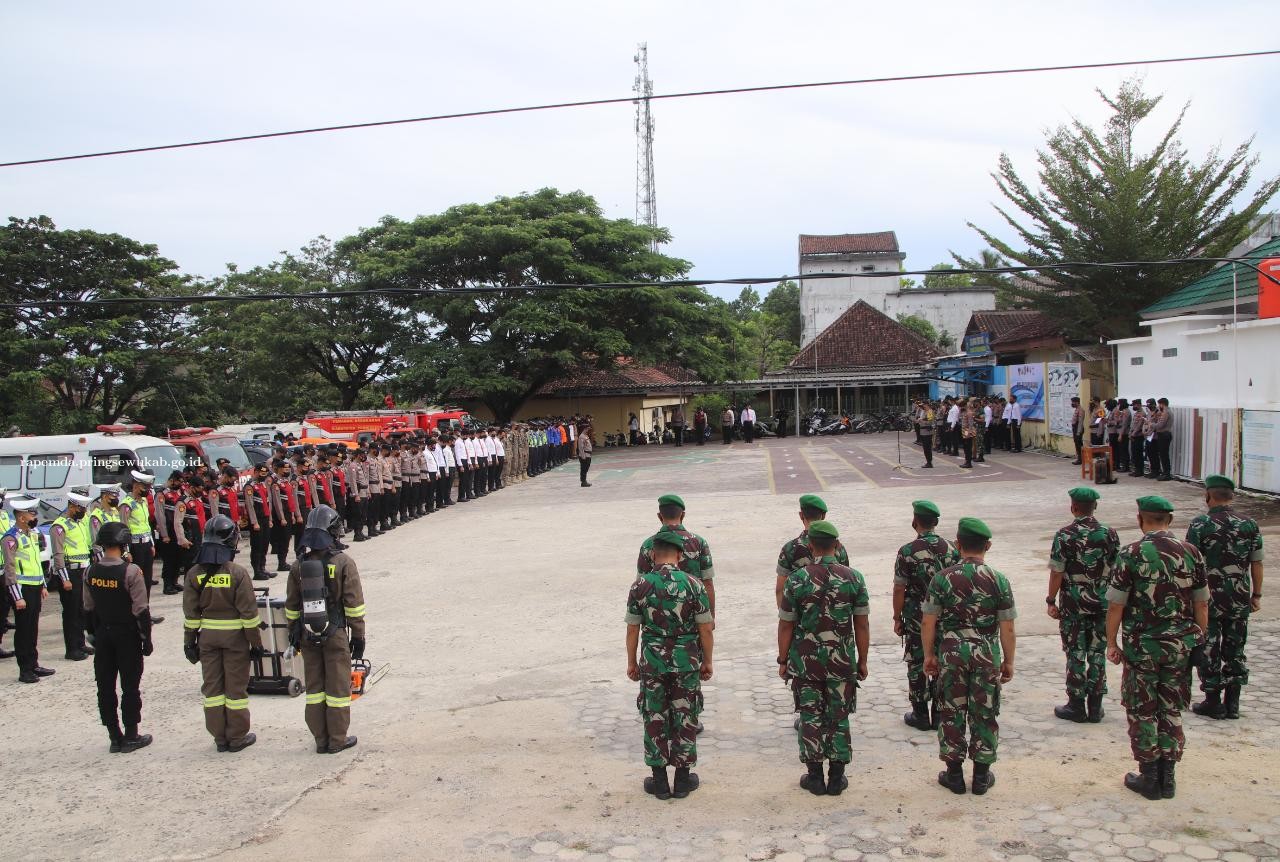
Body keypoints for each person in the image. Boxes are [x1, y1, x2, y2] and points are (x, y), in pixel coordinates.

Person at [1106, 495, 1208, 800]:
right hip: (1179, 647)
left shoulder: (1131, 554)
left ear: (1140, 519)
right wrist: (1199, 638)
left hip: (1142, 648)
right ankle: (1168, 777)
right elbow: (1201, 602)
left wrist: (1111, 642)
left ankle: (1149, 776)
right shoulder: (1192, 553)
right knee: (1171, 707)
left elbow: (1116, 606)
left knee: (1142, 709)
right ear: (1171, 520)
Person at [922, 517, 1016, 795]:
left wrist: (929, 655)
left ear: (958, 544)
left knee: (951, 711)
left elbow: (929, 621)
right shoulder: (999, 579)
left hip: (952, 652)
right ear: (988, 545)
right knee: (984, 713)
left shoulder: (942, 578)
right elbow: (1007, 626)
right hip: (986, 653)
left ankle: (953, 775)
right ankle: (981, 776)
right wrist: (1008, 660)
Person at [778, 520, 869, 796]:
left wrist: (783, 660)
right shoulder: (854, 578)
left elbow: (786, 624)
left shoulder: (797, 579)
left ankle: (815, 777)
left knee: (810, 716)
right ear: (837, 546)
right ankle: (837, 776)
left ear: (810, 545)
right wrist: (862, 660)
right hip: (841, 661)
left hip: (806, 662)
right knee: (839, 716)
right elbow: (861, 624)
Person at [625, 526, 714, 801]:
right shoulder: (693, 584)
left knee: (655, 715)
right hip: (686, 661)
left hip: (652, 662)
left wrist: (631, 663)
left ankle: (660, 781)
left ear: (653, 554)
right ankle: (684, 780)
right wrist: (707, 661)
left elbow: (632, 629)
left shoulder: (640, 585)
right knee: (685, 716)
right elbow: (705, 628)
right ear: (679, 554)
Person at [285, 505, 365, 754]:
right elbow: (353, 604)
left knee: (315, 689)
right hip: (336, 633)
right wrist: (359, 635)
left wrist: (294, 633)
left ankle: (320, 740)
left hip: (308, 634)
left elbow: (291, 606)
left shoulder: (299, 566)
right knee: (338, 689)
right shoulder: (343, 562)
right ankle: (337, 740)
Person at [183, 514, 264, 753]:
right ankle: (237, 737)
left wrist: (189, 643)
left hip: (207, 640)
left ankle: (219, 737)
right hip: (235, 641)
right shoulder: (237, 574)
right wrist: (256, 645)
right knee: (235, 691)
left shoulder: (194, 573)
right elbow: (249, 615)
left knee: (213, 690)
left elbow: (191, 614)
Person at [1187, 474, 1264, 721]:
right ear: (1232, 496)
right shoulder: (1250, 524)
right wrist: (1257, 595)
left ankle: (1212, 701)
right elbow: (1257, 563)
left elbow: (1190, 565)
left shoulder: (1200, 525)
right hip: (1239, 597)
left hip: (1206, 600)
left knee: (1208, 647)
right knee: (1236, 647)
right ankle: (1233, 703)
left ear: (1208, 495)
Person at [1047, 487, 1120, 723]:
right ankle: (1096, 705)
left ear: (1073, 507)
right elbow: (1117, 569)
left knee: (1075, 653)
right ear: (1095, 507)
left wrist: (1050, 600)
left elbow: (1057, 572)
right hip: (1101, 603)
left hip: (1073, 604)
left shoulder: (1064, 535)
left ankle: (1076, 705)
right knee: (1097, 652)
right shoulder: (1109, 533)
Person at [83, 521, 153, 752]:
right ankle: (131, 735)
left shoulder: (90, 571)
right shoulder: (131, 571)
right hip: (127, 635)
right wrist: (146, 639)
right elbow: (141, 609)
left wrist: (94, 635)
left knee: (105, 686)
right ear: (123, 545)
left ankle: (114, 736)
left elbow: (88, 608)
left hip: (104, 634)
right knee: (130, 686)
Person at [892, 500, 959, 731]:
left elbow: (899, 588)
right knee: (942, 660)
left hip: (917, 619)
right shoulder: (952, 549)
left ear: (915, 521)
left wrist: (896, 617)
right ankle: (940, 713)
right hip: (945, 617)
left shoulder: (907, 551)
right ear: (936, 522)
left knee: (917, 662)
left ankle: (920, 712)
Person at [4, 497, 55, 683]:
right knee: (24, 630)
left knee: (33, 628)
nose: (34, 516)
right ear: (21, 517)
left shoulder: (32, 534)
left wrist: (42, 584)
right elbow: (10, 570)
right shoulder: (11, 538)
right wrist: (17, 597)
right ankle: (24, 669)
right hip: (22, 589)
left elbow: (35, 561)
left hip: (34, 587)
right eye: (30, 513)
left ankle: (34, 664)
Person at [775, 494, 849, 609]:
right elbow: (846, 582)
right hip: (834, 619)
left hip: (801, 620)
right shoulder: (837, 547)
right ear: (823, 515)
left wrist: (785, 618)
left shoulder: (789, 549)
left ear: (801, 515)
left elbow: (780, 589)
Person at [50, 490, 95, 661]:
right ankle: (72, 648)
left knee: (81, 610)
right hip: (70, 572)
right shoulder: (59, 526)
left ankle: (80, 642)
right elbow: (58, 555)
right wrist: (64, 578)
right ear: (71, 506)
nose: (83, 511)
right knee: (71, 612)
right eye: (80, 508)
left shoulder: (79, 523)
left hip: (83, 570)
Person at [243, 463, 274, 581]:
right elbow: (250, 506)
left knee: (265, 545)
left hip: (265, 518)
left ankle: (262, 567)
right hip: (257, 520)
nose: (264, 476)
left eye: (265, 474)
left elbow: (268, 502)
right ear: (255, 472)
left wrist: (270, 518)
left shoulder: (263, 485)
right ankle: (257, 571)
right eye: (261, 473)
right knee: (257, 546)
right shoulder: (249, 486)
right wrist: (254, 522)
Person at [1153, 398, 1173, 481]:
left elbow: (1161, 425)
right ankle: (1165, 472)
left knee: (1164, 455)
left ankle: (1166, 473)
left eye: (1159, 404)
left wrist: (1151, 424)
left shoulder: (1166, 412)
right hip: (1164, 434)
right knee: (1163, 454)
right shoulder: (1166, 412)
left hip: (1164, 434)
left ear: (1162, 404)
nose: (1158, 406)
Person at [1128, 399, 1147, 478]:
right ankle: (1136, 469)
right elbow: (1133, 425)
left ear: (1138, 404)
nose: (1134, 407)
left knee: (1138, 453)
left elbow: (1139, 426)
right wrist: (1130, 433)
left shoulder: (1142, 414)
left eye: (1135, 405)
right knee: (1134, 454)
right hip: (1133, 435)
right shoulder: (1136, 413)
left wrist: (1133, 434)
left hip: (1138, 436)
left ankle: (1139, 470)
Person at [916, 401, 935, 468]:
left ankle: (929, 462)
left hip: (927, 431)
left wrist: (921, 421)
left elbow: (930, 422)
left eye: (923, 405)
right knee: (925, 448)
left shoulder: (929, 411)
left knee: (927, 448)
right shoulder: (924, 411)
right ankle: (928, 461)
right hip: (923, 431)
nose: (922, 406)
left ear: (926, 405)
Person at [958, 399, 976, 469]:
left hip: (968, 431)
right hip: (964, 431)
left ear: (965, 405)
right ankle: (966, 461)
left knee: (968, 447)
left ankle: (969, 462)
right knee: (965, 447)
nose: (960, 407)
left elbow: (971, 424)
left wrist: (969, 432)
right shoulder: (964, 412)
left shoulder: (969, 413)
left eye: (961, 406)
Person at [1070, 396, 1084, 465]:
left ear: (1077, 402)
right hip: (1075, 428)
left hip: (1078, 429)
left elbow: (1080, 422)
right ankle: (1079, 458)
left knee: (1079, 444)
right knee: (1077, 444)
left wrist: (1078, 432)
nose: (1072, 403)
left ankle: (1080, 459)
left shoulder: (1080, 410)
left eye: (1073, 402)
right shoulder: (1077, 409)